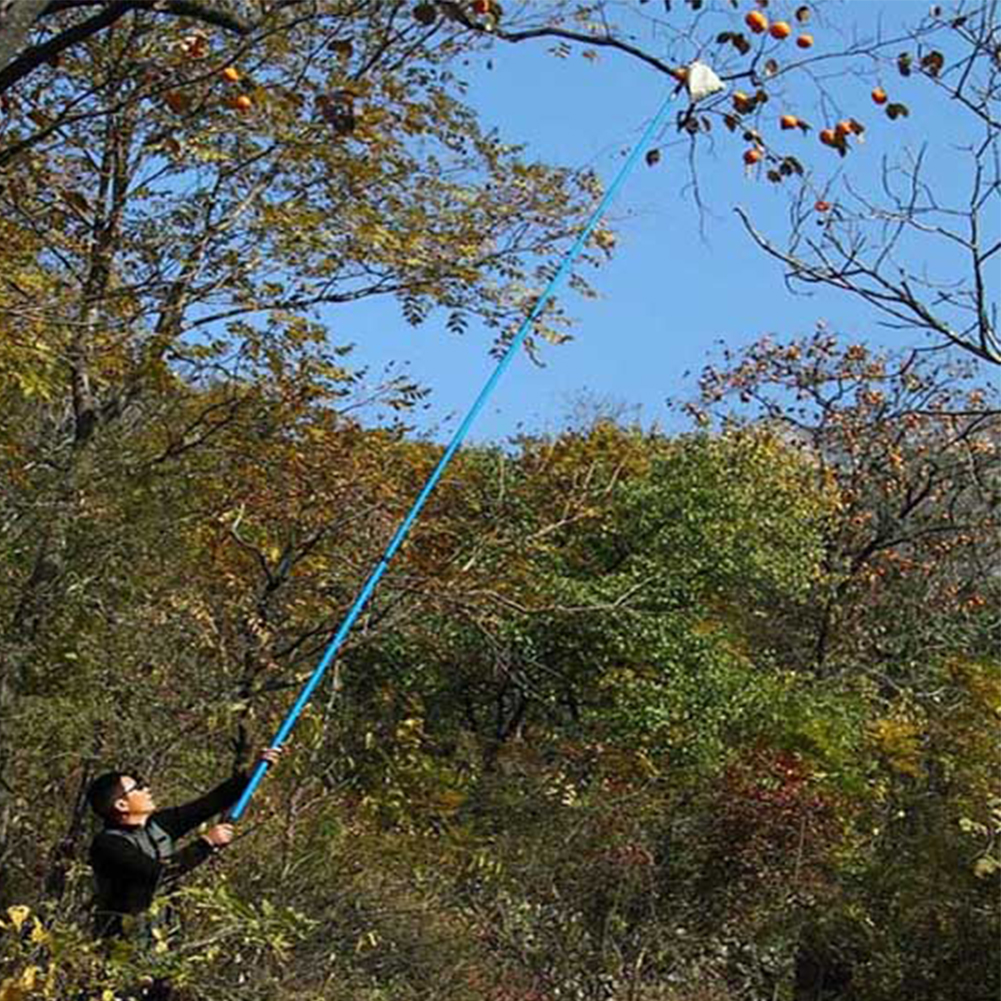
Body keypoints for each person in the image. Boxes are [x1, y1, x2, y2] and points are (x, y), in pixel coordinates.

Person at [86, 747, 281, 943]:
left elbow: (210, 803)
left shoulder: (159, 825)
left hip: (163, 941)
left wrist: (251, 773)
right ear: (121, 805)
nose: (146, 790)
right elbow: (156, 874)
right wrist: (206, 843)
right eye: (137, 788)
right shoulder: (107, 845)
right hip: (121, 949)